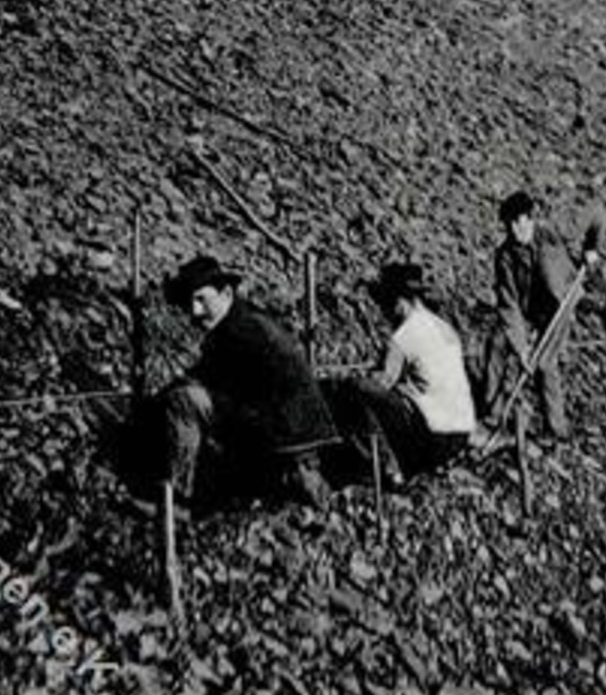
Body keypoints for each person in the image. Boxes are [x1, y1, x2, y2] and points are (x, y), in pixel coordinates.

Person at [133, 255, 339, 515]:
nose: (194, 312)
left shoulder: (241, 331)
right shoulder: (244, 320)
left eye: (201, 299)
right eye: (189, 302)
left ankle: (179, 499)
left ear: (226, 293)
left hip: (283, 433)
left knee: (184, 401)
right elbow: (212, 376)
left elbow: (231, 391)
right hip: (299, 430)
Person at [331, 263, 477, 486]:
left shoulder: (403, 336)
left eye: (387, 304)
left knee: (357, 389)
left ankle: (388, 468)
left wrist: (349, 378)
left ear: (399, 302)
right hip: (462, 432)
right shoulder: (445, 328)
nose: (385, 311)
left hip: (433, 437)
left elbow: (383, 382)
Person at [480, 191, 578, 439]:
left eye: (519, 221)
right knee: (497, 343)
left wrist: (592, 248)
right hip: (529, 312)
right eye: (509, 224)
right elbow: (509, 303)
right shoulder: (505, 256)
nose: (514, 229)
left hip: (560, 305)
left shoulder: (552, 233)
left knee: (544, 364)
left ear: (530, 219)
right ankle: (493, 415)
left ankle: (557, 428)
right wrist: (521, 347)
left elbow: (594, 214)